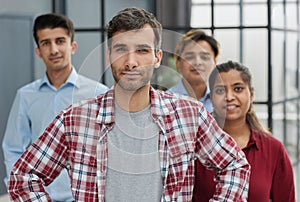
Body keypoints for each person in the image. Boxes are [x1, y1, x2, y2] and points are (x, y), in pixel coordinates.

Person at [7, 7, 250, 201]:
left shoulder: (189, 115)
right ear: (108, 55)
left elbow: (235, 165)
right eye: (121, 49)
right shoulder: (74, 119)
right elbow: (23, 176)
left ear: (157, 58)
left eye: (142, 50)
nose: (131, 61)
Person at [2, 13, 109, 201]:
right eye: (46, 43)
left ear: (72, 46)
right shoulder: (25, 96)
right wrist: (23, 190)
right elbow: (13, 149)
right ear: (38, 51)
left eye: (60, 41)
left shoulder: (98, 94)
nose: (54, 50)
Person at [193, 60, 296, 201]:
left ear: (251, 95)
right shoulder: (194, 147)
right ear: (211, 98)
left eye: (238, 89)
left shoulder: (273, 149)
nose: (229, 97)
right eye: (220, 90)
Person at [168, 29, 220, 113]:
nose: (197, 63)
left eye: (204, 57)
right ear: (178, 63)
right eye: (189, 57)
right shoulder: (165, 102)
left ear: (215, 63)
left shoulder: (224, 100)